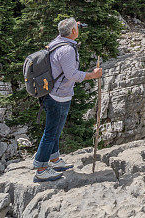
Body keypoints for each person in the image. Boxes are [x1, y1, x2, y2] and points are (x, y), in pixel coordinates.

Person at [32, 17, 103, 182]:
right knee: (51, 132)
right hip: (58, 96)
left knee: (56, 130)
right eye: (76, 28)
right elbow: (72, 75)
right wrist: (93, 75)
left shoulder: (57, 41)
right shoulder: (67, 50)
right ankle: (41, 168)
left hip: (55, 93)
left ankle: (54, 159)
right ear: (72, 32)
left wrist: (72, 26)